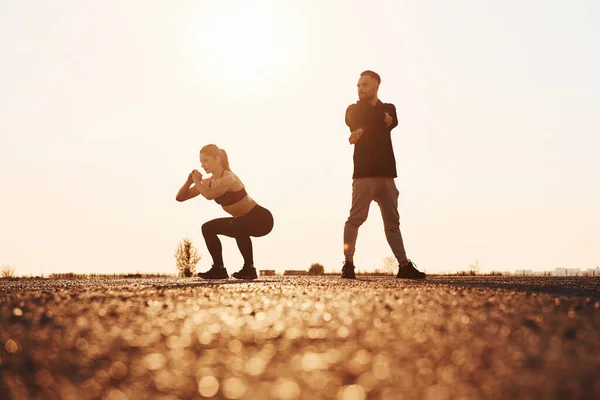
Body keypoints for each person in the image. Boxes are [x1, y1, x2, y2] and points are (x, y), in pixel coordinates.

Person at [342, 70, 425, 280]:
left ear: (376, 86)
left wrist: (363, 128)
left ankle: (404, 266)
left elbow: (391, 120)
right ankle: (348, 265)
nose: (361, 88)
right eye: (359, 85)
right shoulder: (353, 109)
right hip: (364, 175)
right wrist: (372, 122)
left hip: (387, 175)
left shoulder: (389, 108)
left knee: (392, 223)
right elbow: (353, 118)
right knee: (355, 219)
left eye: (365, 85)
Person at [176, 144, 273, 280]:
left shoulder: (229, 178)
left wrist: (197, 181)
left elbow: (209, 195)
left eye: (206, 160)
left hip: (262, 220)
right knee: (208, 228)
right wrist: (188, 182)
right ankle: (219, 269)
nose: (203, 165)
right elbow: (180, 197)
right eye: (201, 161)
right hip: (242, 221)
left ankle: (249, 268)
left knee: (237, 224)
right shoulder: (209, 181)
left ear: (217, 159)